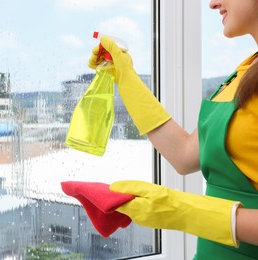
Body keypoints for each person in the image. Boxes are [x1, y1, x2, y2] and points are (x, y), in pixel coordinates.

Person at [88, 0, 258, 259]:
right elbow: (184, 154)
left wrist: (181, 211)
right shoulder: (245, 71)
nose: (212, 4)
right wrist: (124, 74)